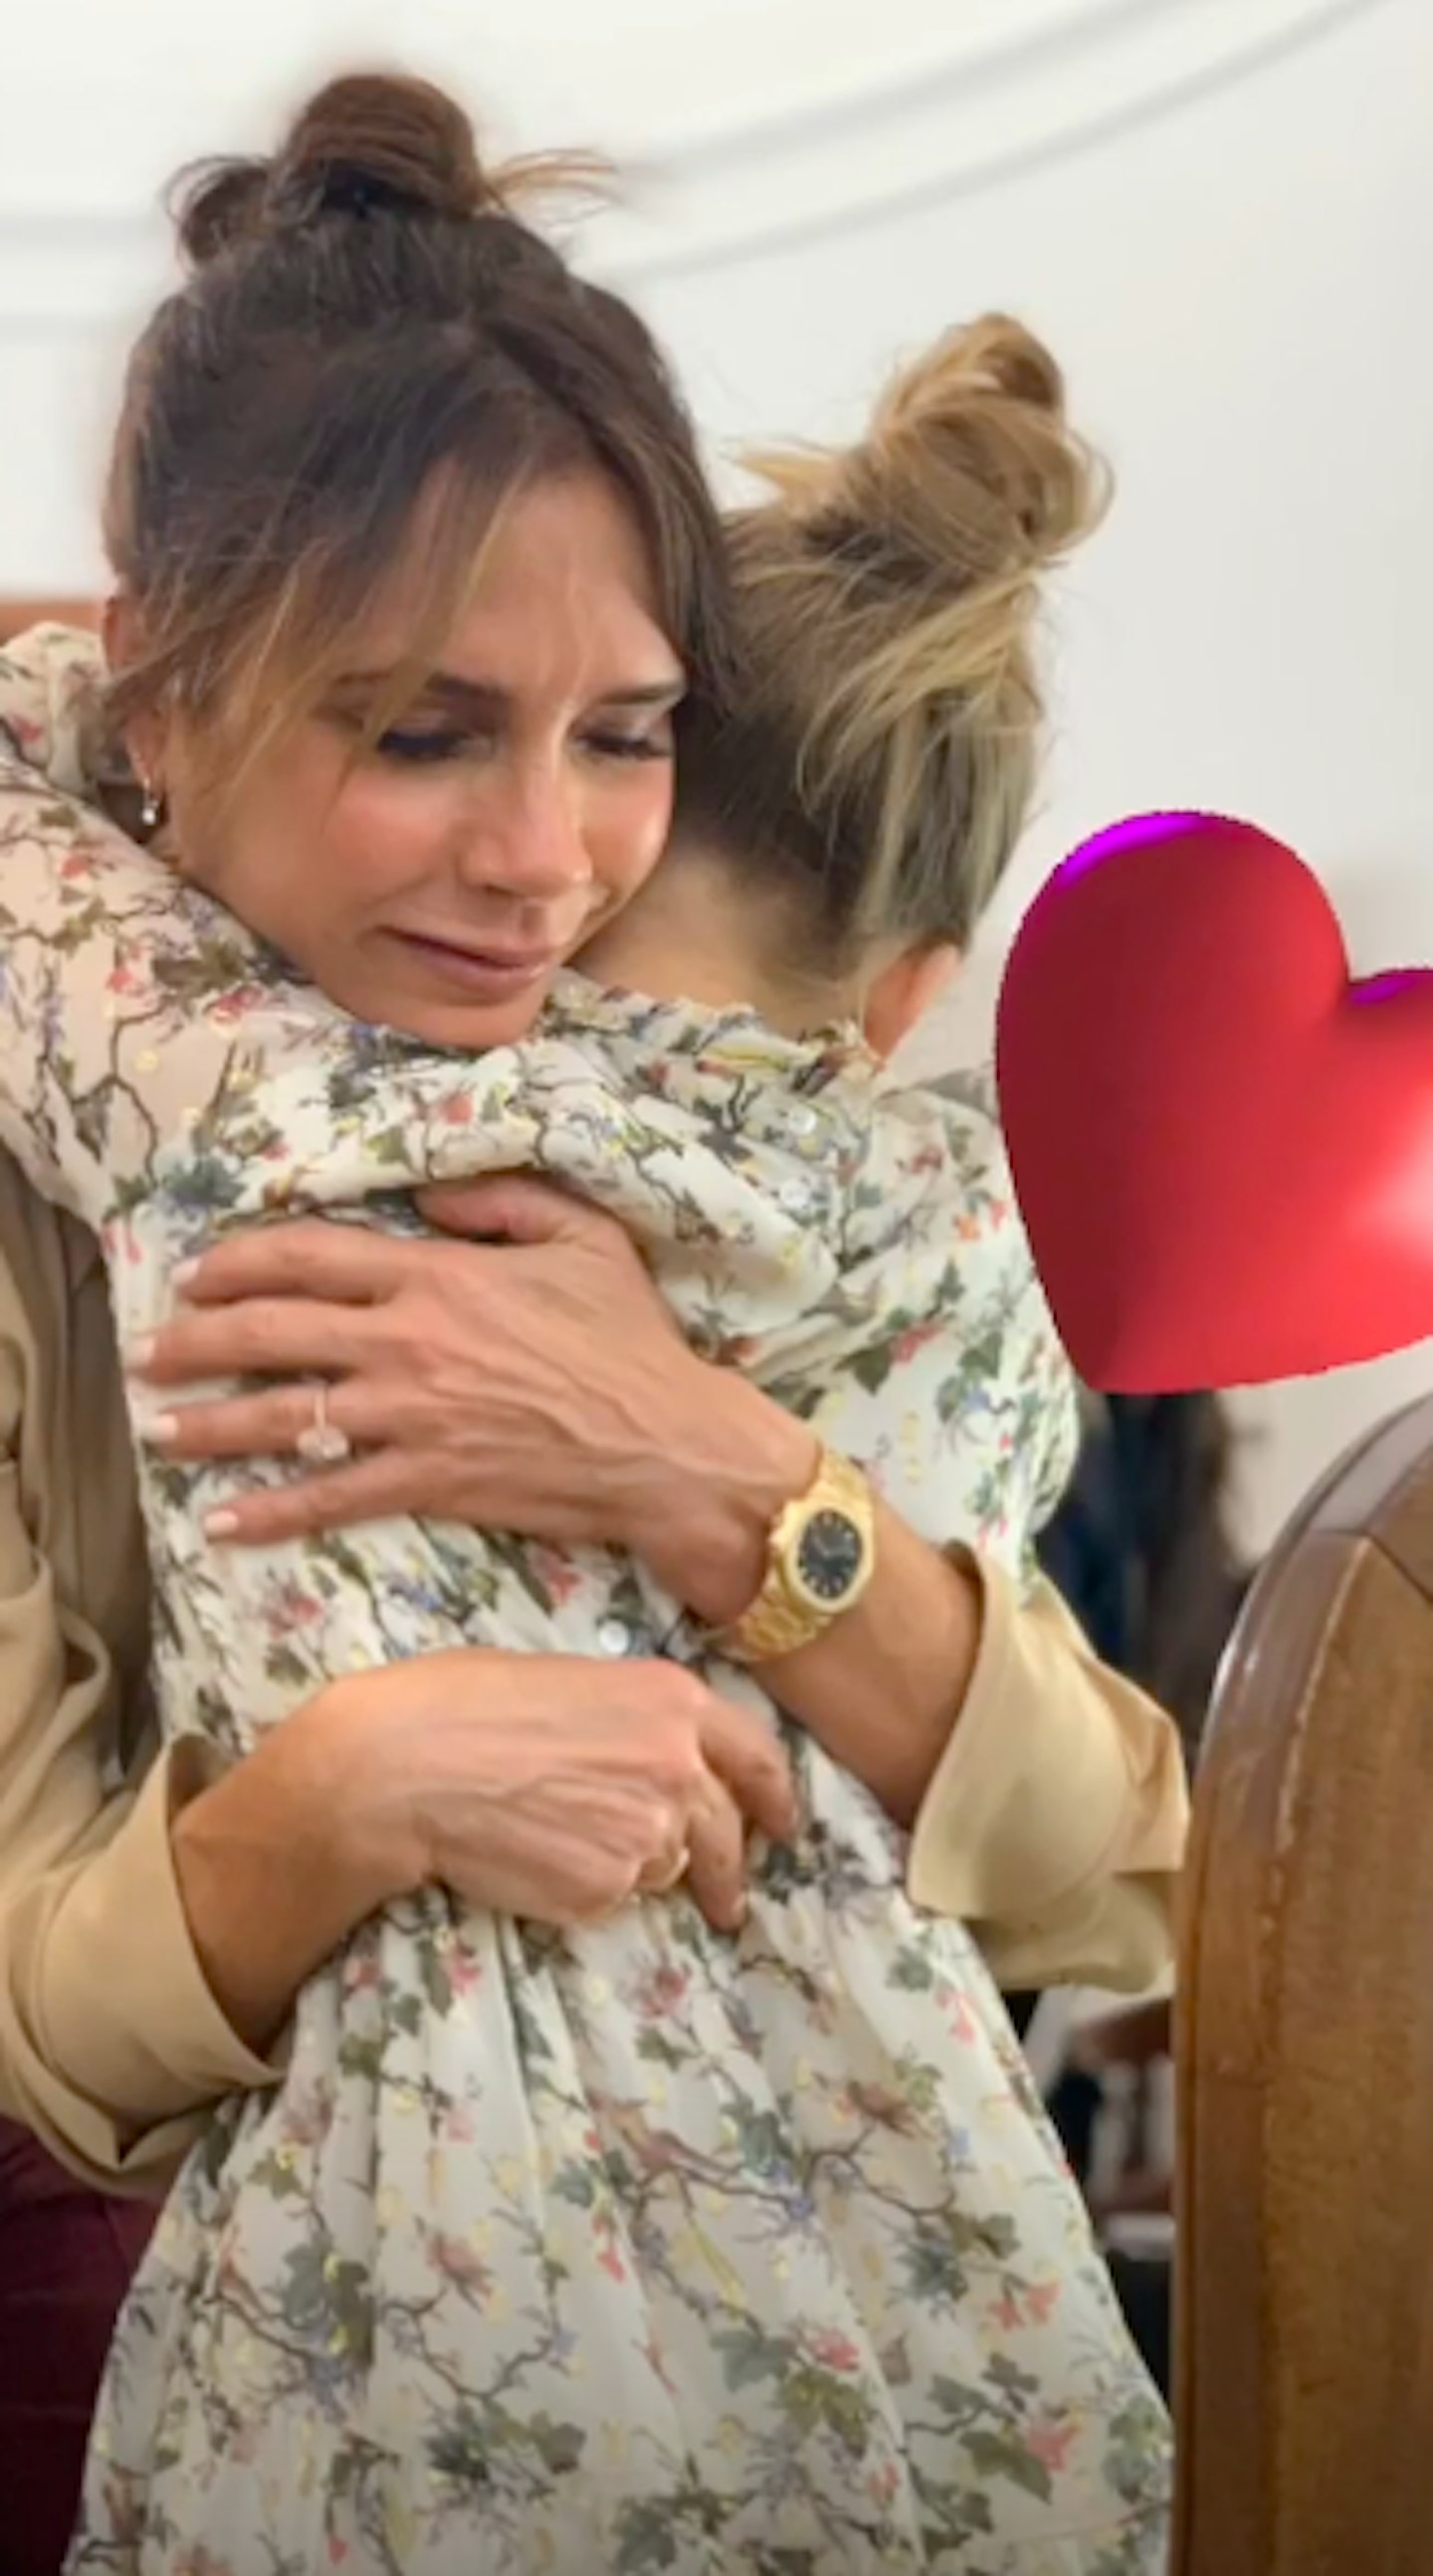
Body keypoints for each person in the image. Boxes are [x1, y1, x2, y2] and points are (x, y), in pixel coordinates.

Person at [0, 69, 1186, 2576]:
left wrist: (725, 1483)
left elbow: (1141, 1866)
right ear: (162, 702)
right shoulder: (98, 1130)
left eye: (626, 738)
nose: (545, 862)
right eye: (422, 732)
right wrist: (359, 1784)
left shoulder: (763, 1168)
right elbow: (38, 2007)